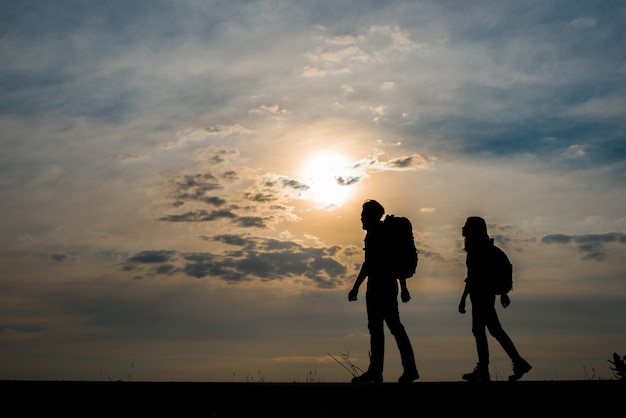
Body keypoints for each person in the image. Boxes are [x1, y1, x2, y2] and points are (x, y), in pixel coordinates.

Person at [348, 199, 420, 383]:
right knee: (387, 328)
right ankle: (385, 371)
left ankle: (384, 371)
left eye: (363, 215)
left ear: (371, 216)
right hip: (384, 286)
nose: (361, 218)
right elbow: (392, 262)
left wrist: (356, 286)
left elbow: (371, 263)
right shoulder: (380, 233)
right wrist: (403, 288)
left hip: (380, 287)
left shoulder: (376, 235)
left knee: (385, 329)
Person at [458, 216, 532, 382]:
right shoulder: (486, 249)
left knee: (482, 330)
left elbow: (472, 278)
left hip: (481, 296)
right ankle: (516, 362)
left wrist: (463, 299)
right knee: (493, 330)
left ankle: (485, 369)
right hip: (485, 295)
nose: (463, 228)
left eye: (466, 226)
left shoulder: (477, 250)